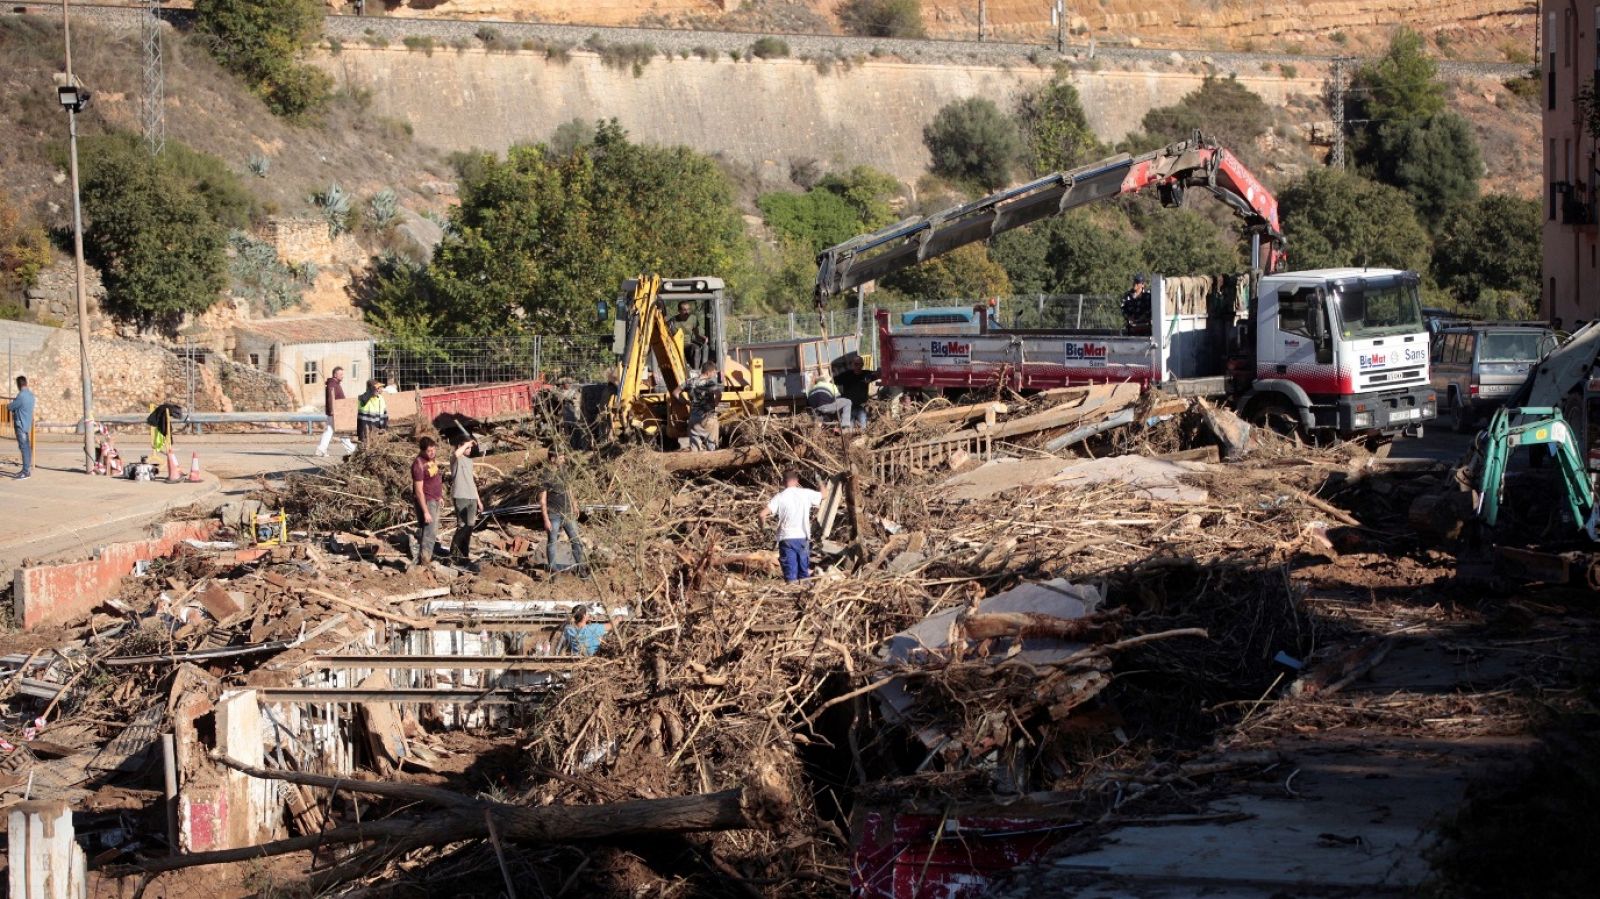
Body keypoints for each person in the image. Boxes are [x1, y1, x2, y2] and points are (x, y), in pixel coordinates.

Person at [760, 468, 823, 582]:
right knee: (804, 574)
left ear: (783, 482)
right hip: (802, 538)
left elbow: (762, 514)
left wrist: (763, 528)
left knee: (790, 576)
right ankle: (805, 591)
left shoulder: (780, 497)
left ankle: (791, 590)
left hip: (786, 539)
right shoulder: (805, 494)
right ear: (796, 481)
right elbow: (825, 494)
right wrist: (819, 480)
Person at [540, 450, 586, 574]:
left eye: (563, 457)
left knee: (576, 540)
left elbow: (569, 489)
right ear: (552, 459)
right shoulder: (545, 475)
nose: (563, 460)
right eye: (560, 458)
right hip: (553, 514)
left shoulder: (564, 471)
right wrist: (546, 519)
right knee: (552, 541)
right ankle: (553, 570)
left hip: (568, 513)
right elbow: (542, 500)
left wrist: (574, 505)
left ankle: (581, 568)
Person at [448, 437, 484, 571]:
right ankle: (453, 556)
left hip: (472, 497)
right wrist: (467, 443)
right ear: (460, 446)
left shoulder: (469, 461)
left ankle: (464, 556)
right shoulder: (455, 459)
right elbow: (456, 454)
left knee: (469, 527)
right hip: (461, 496)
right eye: (467, 448)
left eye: (470, 448)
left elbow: (471, 482)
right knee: (462, 526)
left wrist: (478, 500)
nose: (469, 450)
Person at [674, 361, 722, 451]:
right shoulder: (709, 383)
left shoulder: (689, 382)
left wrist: (686, 402)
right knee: (711, 448)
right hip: (708, 418)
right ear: (708, 372)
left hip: (694, 418)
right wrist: (715, 405)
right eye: (714, 372)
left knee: (695, 450)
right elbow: (719, 394)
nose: (714, 375)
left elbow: (675, 393)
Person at [411, 436, 444, 567]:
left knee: (432, 531)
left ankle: (425, 557)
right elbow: (418, 491)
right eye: (429, 451)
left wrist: (439, 496)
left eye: (434, 450)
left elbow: (434, 478)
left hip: (435, 499)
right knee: (430, 532)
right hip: (427, 501)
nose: (432, 453)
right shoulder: (418, 465)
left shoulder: (431, 460)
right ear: (422, 450)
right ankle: (424, 562)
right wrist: (425, 511)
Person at [316, 366, 354, 457]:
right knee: (342, 431)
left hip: (337, 411)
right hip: (335, 412)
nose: (342, 376)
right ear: (335, 375)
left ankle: (321, 449)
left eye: (342, 374)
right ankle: (351, 450)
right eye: (340, 374)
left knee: (330, 430)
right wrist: (332, 410)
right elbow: (331, 398)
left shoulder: (335, 384)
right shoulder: (332, 384)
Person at [834, 355, 877, 430]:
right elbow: (833, 380)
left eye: (860, 364)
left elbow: (878, 374)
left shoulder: (866, 374)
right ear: (852, 365)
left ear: (862, 365)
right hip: (849, 408)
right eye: (856, 364)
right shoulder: (846, 375)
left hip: (861, 407)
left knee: (863, 427)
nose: (858, 366)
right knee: (849, 429)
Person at [8, 375, 36, 480]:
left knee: (24, 448)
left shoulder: (21, 396)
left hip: (20, 425)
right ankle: (26, 469)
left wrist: (9, 406)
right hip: (27, 424)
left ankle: (25, 472)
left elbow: (11, 406)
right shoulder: (31, 395)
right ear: (26, 383)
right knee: (27, 448)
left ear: (18, 385)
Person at [668, 300, 709, 371]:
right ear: (679, 311)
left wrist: (703, 338)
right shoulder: (673, 321)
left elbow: (697, 334)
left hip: (688, 343)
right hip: (677, 344)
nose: (687, 312)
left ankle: (698, 370)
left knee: (699, 348)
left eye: (688, 309)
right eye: (684, 310)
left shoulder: (693, 318)